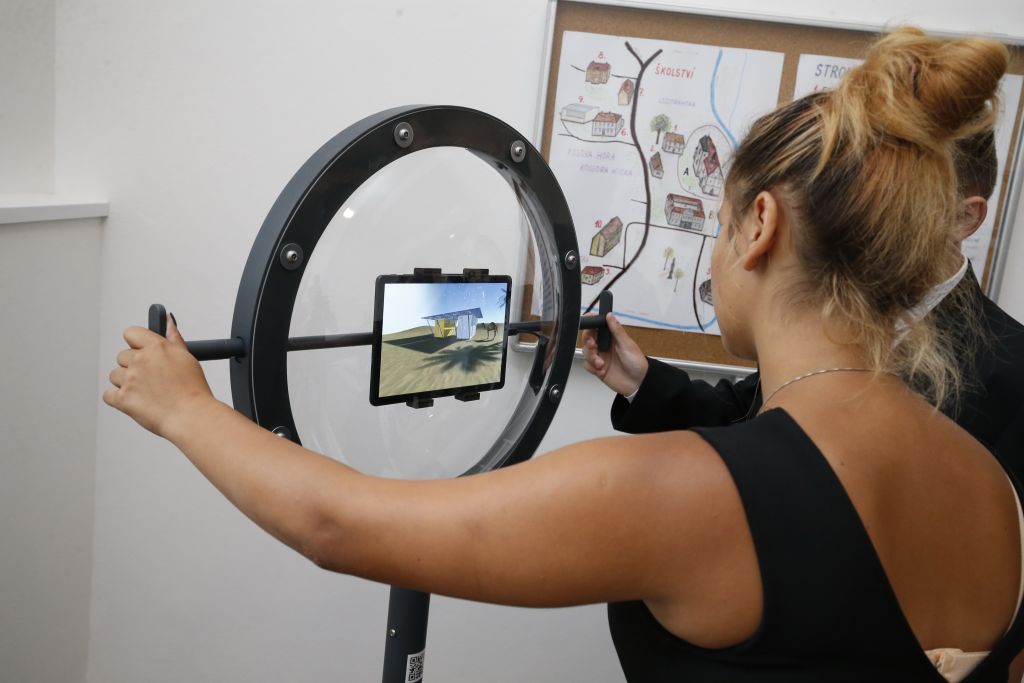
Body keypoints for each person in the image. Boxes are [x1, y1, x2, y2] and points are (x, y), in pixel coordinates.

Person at [105, 28, 1024, 682]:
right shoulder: (993, 490)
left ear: (759, 226)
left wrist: (185, 408)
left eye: (714, 225)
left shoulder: (680, 493)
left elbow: (338, 525)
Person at [584, 130, 1024, 473]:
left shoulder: (1015, 375)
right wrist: (642, 382)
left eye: (899, 198)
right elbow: (752, 414)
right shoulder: (835, 307)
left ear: (964, 217)